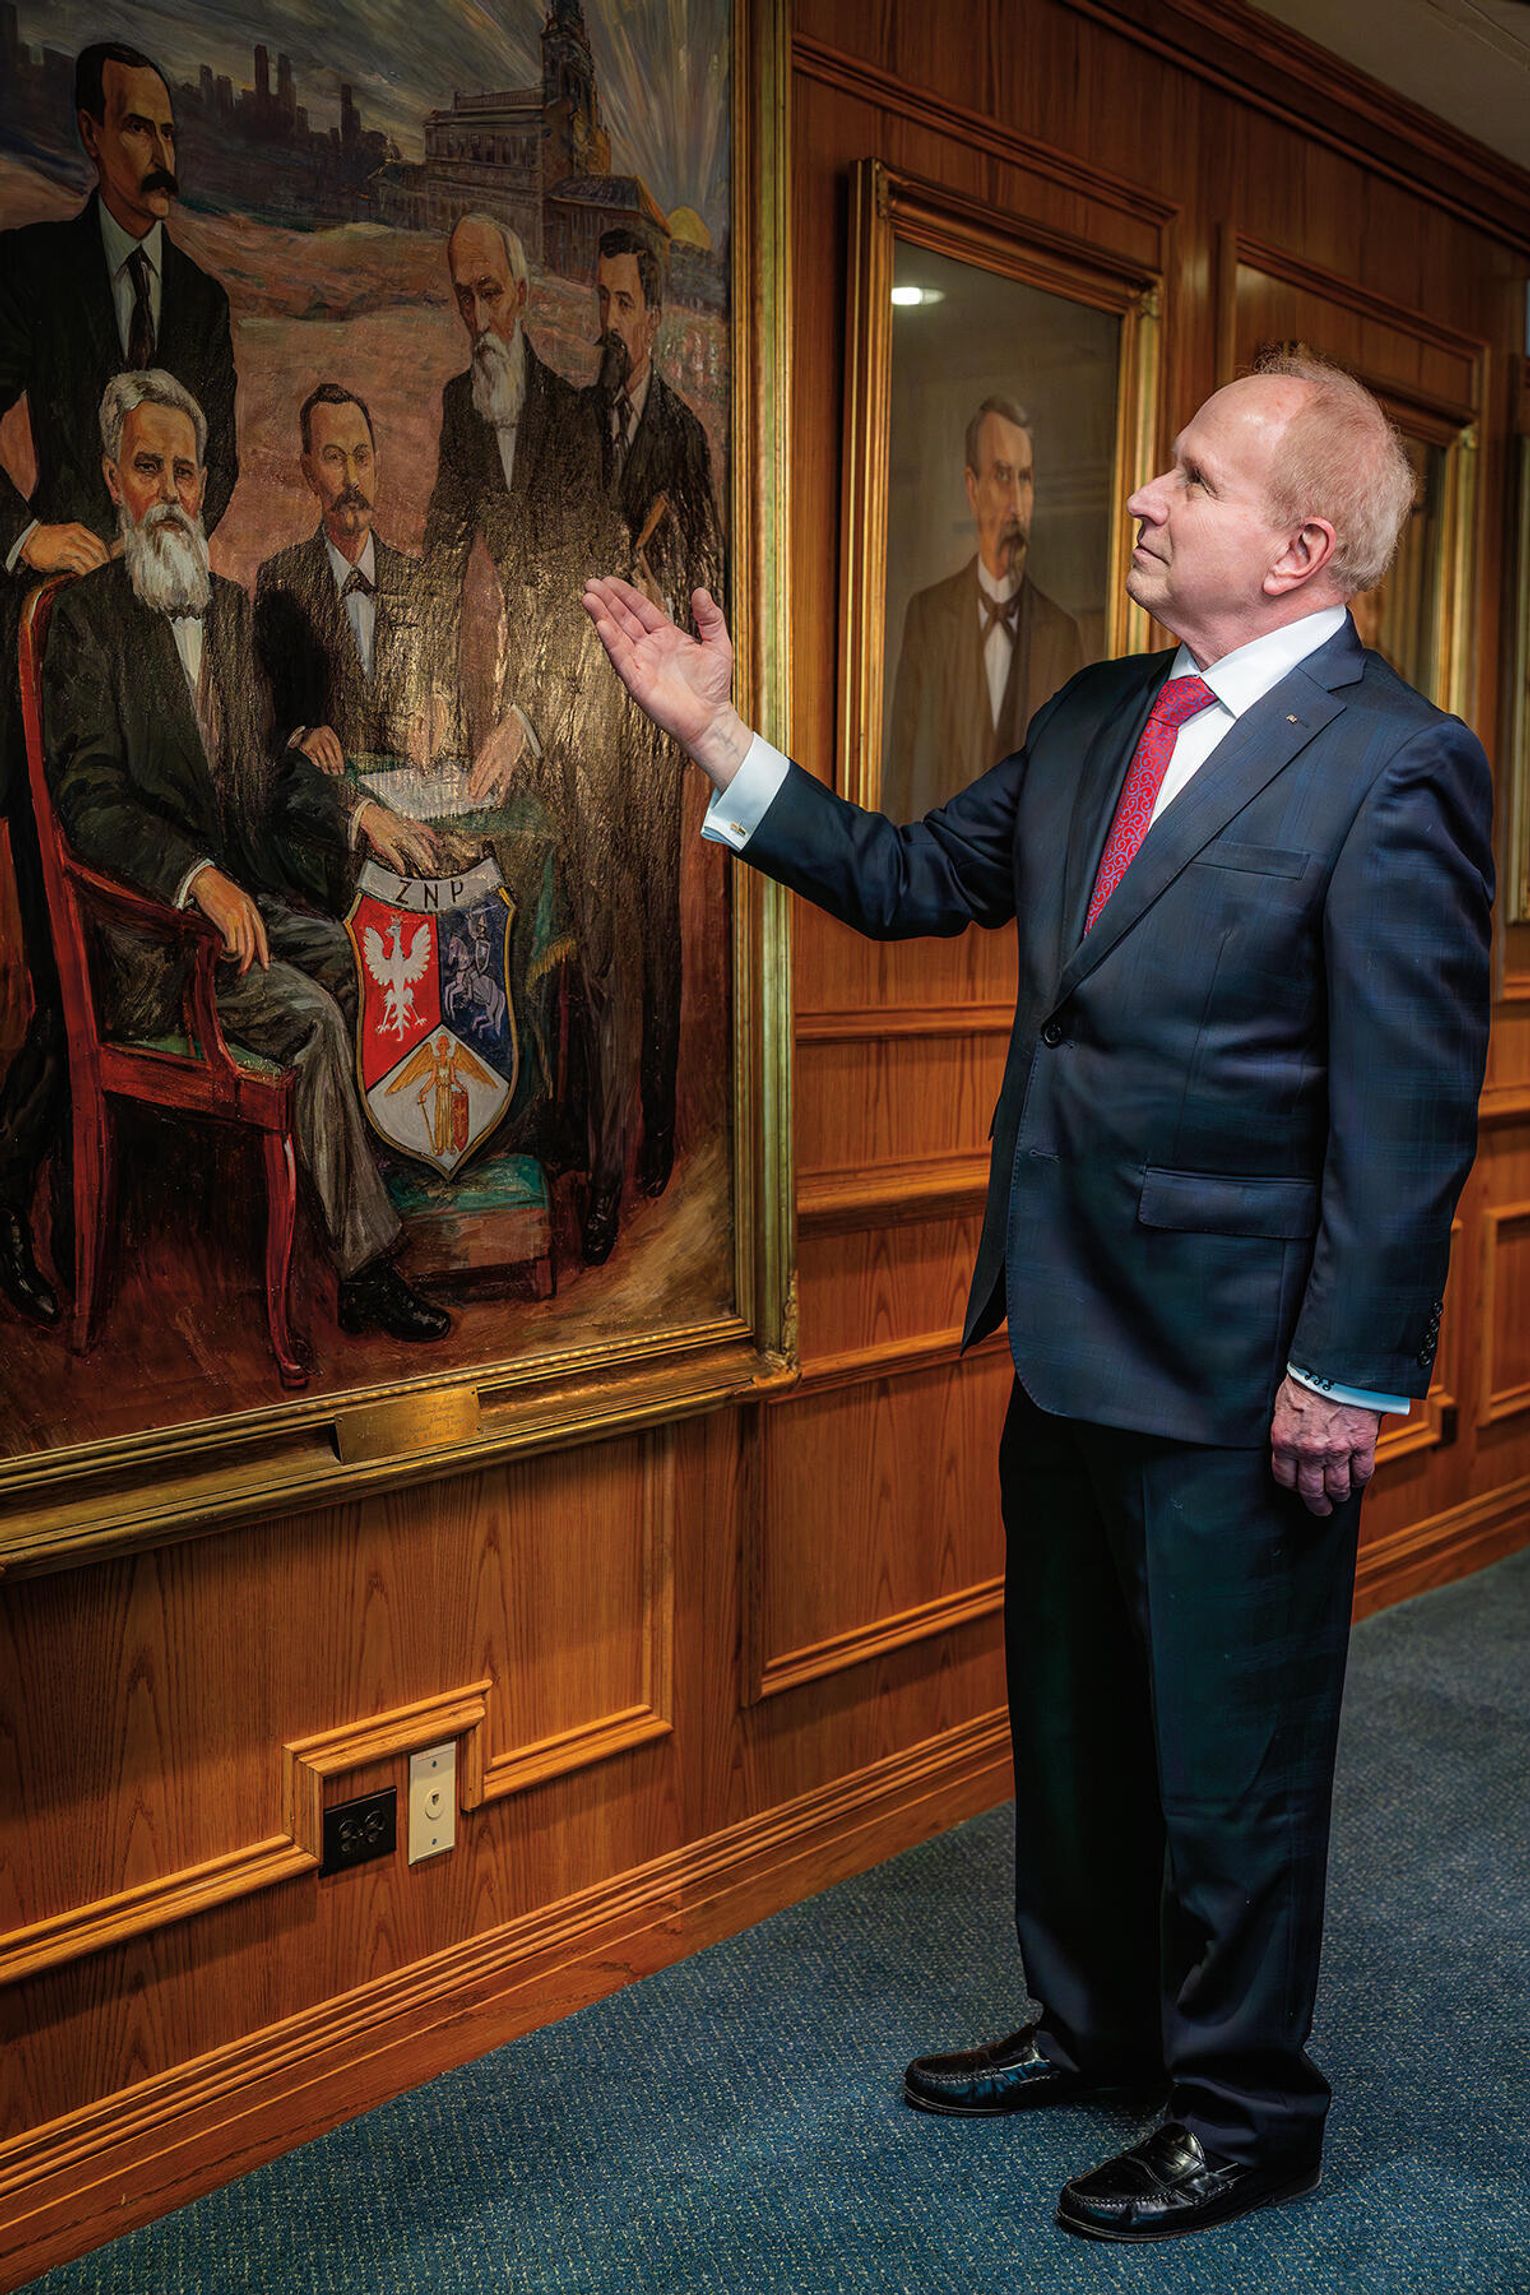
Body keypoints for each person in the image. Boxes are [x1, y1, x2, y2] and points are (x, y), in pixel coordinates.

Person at [582, 351, 1494, 2243]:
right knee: (1076, 1723)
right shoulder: (1093, 716)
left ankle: (1243, 2107)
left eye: (1193, 478)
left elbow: (1407, 1108)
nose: (1142, 499)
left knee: (1232, 1767)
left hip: (1247, 1368)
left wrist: (1347, 1370)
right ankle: (1096, 2028)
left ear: (1301, 547)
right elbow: (910, 876)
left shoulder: (1399, 763)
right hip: (1067, 1325)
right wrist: (713, 736)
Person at [44, 371, 454, 1349]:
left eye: (186, 472)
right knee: (311, 1018)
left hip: (239, 928)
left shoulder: (229, 612)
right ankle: (366, 1272)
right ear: (112, 480)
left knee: (362, 962)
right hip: (154, 950)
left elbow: (272, 775)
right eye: (150, 468)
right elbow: (88, 805)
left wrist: (359, 815)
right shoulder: (85, 621)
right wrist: (197, 879)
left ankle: (344, 1212)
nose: (171, 493)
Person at [0, 41, 239, 1330]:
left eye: (171, 132)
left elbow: (220, 464)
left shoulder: (202, 298)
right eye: (137, 128)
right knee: (70, 967)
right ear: (91, 136)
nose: (161, 153)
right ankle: (15, 1204)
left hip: (159, 658)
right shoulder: (31, 271)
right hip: (59, 655)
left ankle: (134, 1213)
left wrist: (168, 558)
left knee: (151, 939)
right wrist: (25, 538)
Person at [423, 211, 635, 1264]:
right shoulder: (462, 408)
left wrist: (528, 714)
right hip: (522, 719)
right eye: (463, 298)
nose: (479, 318)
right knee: (523, 933)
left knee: (603, 953)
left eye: (492, 295)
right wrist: (422, 682)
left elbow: (594, 586)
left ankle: (607, 1180)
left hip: (599, 712)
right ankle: (543, 1144)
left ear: (524, 295)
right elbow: (438, 553)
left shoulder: (580, 417)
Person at [580, 223, 724, 1207]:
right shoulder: (575, 421)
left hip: (649, 724)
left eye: (624, 303)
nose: (610, 319)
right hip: (576, 723)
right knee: (593, 935)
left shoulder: (681, 434)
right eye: (600, 300)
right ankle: (594, 1146)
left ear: (656, 317)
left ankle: (658, 1136)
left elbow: (708, 574)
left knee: (652, 929)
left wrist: (661, 588)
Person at [885, 395, 1085, 822]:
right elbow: (903, 774)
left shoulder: (1062, 633)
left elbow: (1072, 781)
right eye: (1001, 475)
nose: (1016, 500)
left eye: (1025, 478)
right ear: (972, 489)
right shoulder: (927, 616)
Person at [254, 383, 438, 775]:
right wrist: (302, 736)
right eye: (334, 458)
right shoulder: (282, 582)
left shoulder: (418, 583)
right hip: (328, 798)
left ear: (377, 464)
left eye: (362, 457)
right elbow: (262, 720)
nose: (353, 478)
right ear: (309, 472)